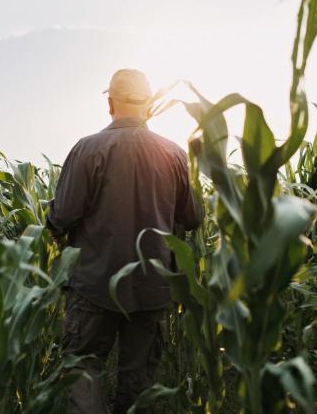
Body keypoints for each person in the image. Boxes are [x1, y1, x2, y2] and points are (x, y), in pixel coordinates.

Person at [46, 69, 203, 414]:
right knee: (138, 381)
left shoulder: (88, 149)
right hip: (152, 286)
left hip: (93, 283)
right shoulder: (173, 154)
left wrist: (53, 222)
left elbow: (64, 215)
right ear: (147, 104)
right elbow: (192, 218)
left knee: (84, 367)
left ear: (110, 103)